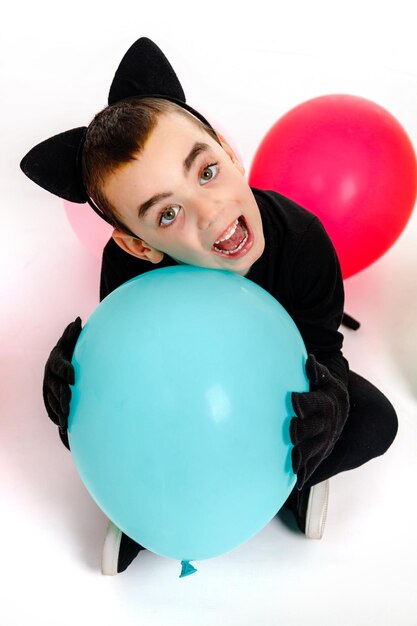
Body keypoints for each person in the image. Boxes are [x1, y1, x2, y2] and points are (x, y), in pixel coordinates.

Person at [21, 37, 398, 576]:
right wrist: (74, 384)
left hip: (274, 392)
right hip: (182, 396)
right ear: (140, 245)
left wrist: (328, 405)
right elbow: (129, 373)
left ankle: (290, 479)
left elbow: (323, 351)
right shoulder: (129, 270)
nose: (211, 212)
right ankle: (138, 512)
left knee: (373, 421)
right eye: (167, 215)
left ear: (224, 147)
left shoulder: (302, 240)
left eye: (206, 172)